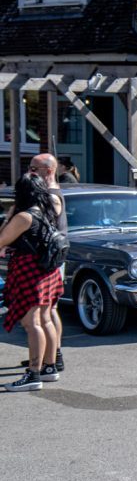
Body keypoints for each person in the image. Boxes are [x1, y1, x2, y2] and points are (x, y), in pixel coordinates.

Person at [2, 174, 63, 391]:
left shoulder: (24, 217)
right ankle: (49, 367)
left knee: (31, 323)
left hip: (29, 271)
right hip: (47, 270)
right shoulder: (47, 211)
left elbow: (1, 240)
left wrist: (9, 217)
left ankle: (33, 374)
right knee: (45, 319)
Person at [18, 154, 67, 375]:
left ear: (48, 171)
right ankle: (48, 357)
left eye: (33, 168)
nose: (29, 172)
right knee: (47, 312)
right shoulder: (50, 193)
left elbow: (43, 227)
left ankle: (53, 357)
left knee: (48, 311)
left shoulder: (51, 196)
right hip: (50, 258)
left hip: (48, 259)